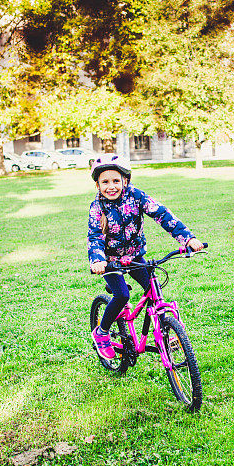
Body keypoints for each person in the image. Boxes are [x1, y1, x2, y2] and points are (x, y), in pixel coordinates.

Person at [87, 154, 204, 359]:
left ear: (126, 180)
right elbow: (95, 236)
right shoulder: (97, 207)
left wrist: (187, 239)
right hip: (110, 262)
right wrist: (98, 260)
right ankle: (102, 333)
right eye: (105, 182)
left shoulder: (136, 197)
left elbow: (163, 215)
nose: (111, 186)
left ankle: (168, 330)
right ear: (97, 185)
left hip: (134, 256)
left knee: (153, 289)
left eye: (116, 180)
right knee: (122, 295)